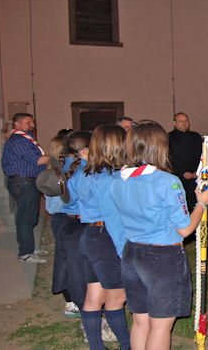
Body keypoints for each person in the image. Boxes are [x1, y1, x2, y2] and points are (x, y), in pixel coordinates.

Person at [109, 121, 208, 350]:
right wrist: (202, 205)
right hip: (162, 259)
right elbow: (184, 229)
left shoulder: (117, 179)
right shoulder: (167, 182)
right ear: (159, 147)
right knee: (160, 326)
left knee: (140, 321)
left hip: (132, 254)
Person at [78, 125, 130, 350]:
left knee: (94, 296)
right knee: (117, 297)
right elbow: (114, 220)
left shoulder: (88, 171)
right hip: (107, 237)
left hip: (91, 235)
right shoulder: (112, 178)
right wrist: (125, 252)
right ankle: (129, 345)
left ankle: (96, 347)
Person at [2, 113, 50, 263]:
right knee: (25, 217)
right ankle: (25, 253)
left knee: (29, 217)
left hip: (26, 182)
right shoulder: (18, 140)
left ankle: (29, 248)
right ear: (17, 124)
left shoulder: (25, 139)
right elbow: (37, 160)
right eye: (28, 122)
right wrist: (55, 156)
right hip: (22, 182)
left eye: (32, 122)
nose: (32, 125)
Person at [59, 131, 93, 330]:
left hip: (68, 222)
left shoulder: (67, 166)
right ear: (84, 150)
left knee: (77, 270)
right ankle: (86, 315)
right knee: (83, 273)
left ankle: (81, 307)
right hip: (80, 224)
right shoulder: (84, 172)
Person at [43, 129, 79, 317]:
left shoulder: (55, 171)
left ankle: (72, 298)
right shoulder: (59, 174)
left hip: (60, 219)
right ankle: (71, 300)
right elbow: (61, 203)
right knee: (68, 261)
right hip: (64, 219)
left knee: (66, 259)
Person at [168, 112, 203, 211]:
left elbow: (202, 155)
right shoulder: (168, 138)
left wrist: (198, 171)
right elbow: (168, 158)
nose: (184, 123)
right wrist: (182, 172)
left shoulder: (195, 137)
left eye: (186, 120)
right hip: (178, 177)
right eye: (181, 121)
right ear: (174, 123)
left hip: (196, 177)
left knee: (196, 205)